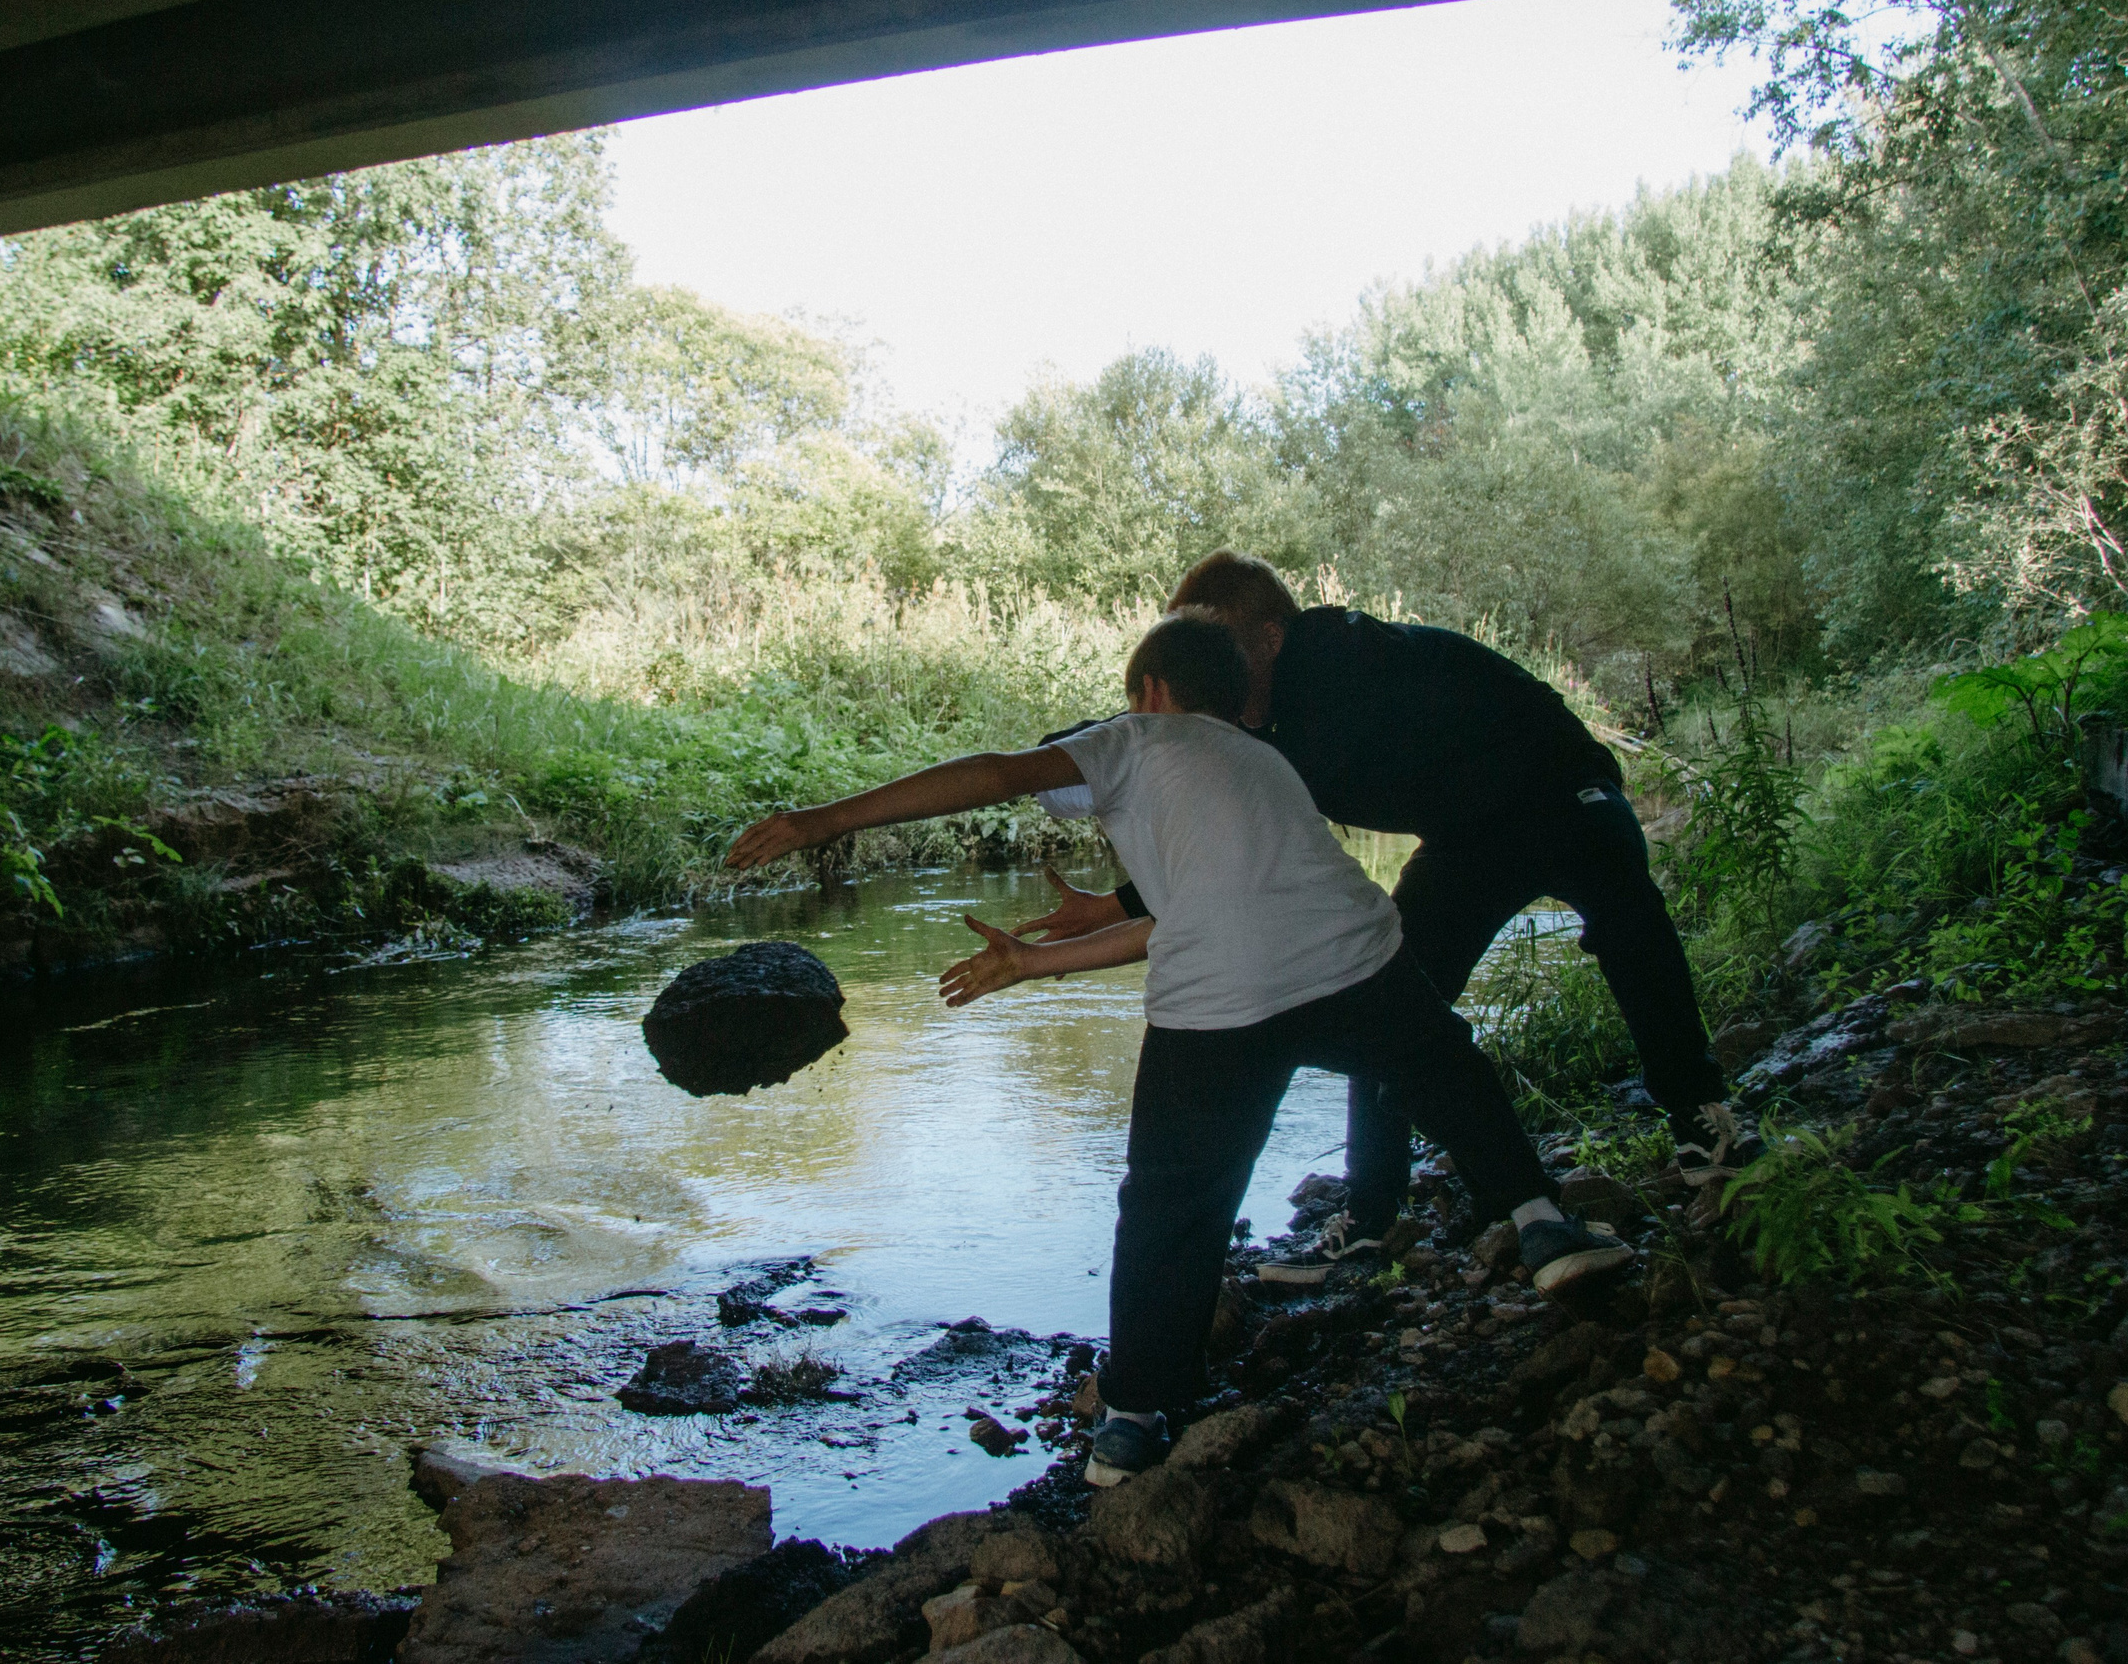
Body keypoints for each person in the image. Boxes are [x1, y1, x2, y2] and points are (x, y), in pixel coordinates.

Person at [726, 614, 1631, 1486]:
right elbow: (1196, 915)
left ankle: (1132, 1421)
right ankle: (1539, 1220)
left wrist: (824, 820)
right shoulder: (1266, 758)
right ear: (1238, 701)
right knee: (1449, 1073)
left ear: (1149, 692)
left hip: (1218, 1005)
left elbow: (998, 772)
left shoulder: (1132, 738)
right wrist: (1040, 962)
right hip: (1354, 955)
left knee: (1170, 1204)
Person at [1018, 552, 1749, 1255]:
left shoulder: (1336, 658)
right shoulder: (1256, 720)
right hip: (1465, 839)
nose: (1203, 670)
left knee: (1627, 913)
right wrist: (1109, 896)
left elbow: (1251, 790)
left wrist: (1128, 826)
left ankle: (1699, 1114)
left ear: (1271, 636)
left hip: (1561, 793)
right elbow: (1226, 831)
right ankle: (1373, 1210)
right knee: (1384, 988)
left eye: (1216, 647)